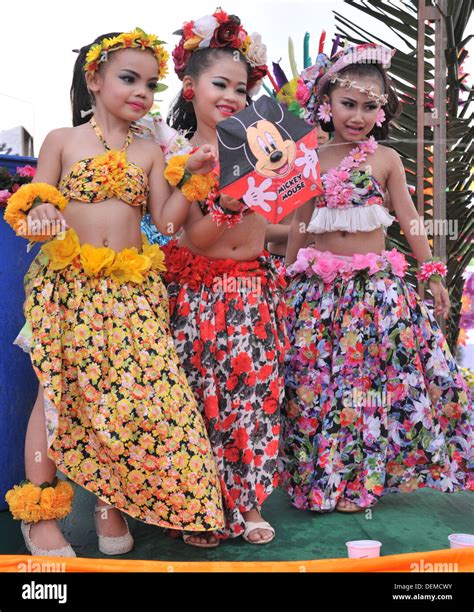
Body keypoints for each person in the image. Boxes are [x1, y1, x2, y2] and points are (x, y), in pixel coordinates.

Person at [4, 28, 224, 557]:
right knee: (55, 397)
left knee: (129, 400)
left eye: (150, 84)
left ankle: (111, 504)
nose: (142, 93)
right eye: (129, 78)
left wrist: (192, 179)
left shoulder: (150, 152)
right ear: (95, 78)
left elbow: (168, 225)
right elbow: (34, 218)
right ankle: (40, 516)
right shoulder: (62, 139)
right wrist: (40, 212)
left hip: (133, 293)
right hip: (67, 288)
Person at [279, 43, 472, 513]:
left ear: (382, 111)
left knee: (363, 387)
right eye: (349, 104)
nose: (358, 115)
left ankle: (361, 483)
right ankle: (321, 481)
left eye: (371, 106)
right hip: (319, 294)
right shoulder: (308, 159)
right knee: (316, 386)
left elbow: (409, 221)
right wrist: (282, 282)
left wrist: (432, 277)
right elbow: (300, 226)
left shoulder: (385, 159)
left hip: (375, 294)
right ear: (326, 103)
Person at [160, 9, 289, 546]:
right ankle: (203, 510)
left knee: (254, 397)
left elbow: (277, 225)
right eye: (221, 84)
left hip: (254, 292)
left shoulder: (263, 146)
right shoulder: (178, 157)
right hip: (201, 295)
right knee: (202, 399)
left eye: (241, 86)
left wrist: (282, 186)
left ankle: (251, 504)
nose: (232, 95)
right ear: (190, 88)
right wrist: (231, 201)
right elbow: (185, 236)